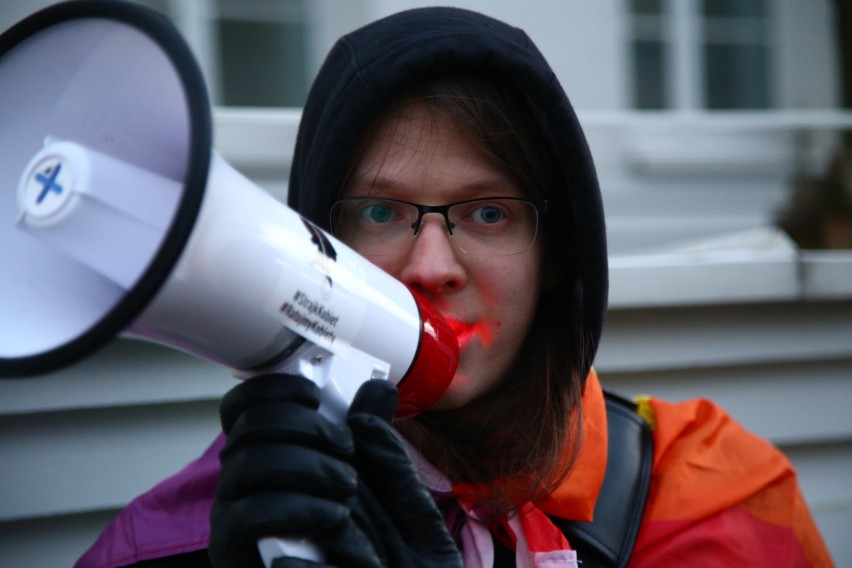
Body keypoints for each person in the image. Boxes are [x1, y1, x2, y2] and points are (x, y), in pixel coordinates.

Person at [76, 6, 833, 568]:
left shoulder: (716, 497)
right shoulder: (189, 540)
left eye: (489, 212)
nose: (431, 266)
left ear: (559, 258)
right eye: (380, 212)